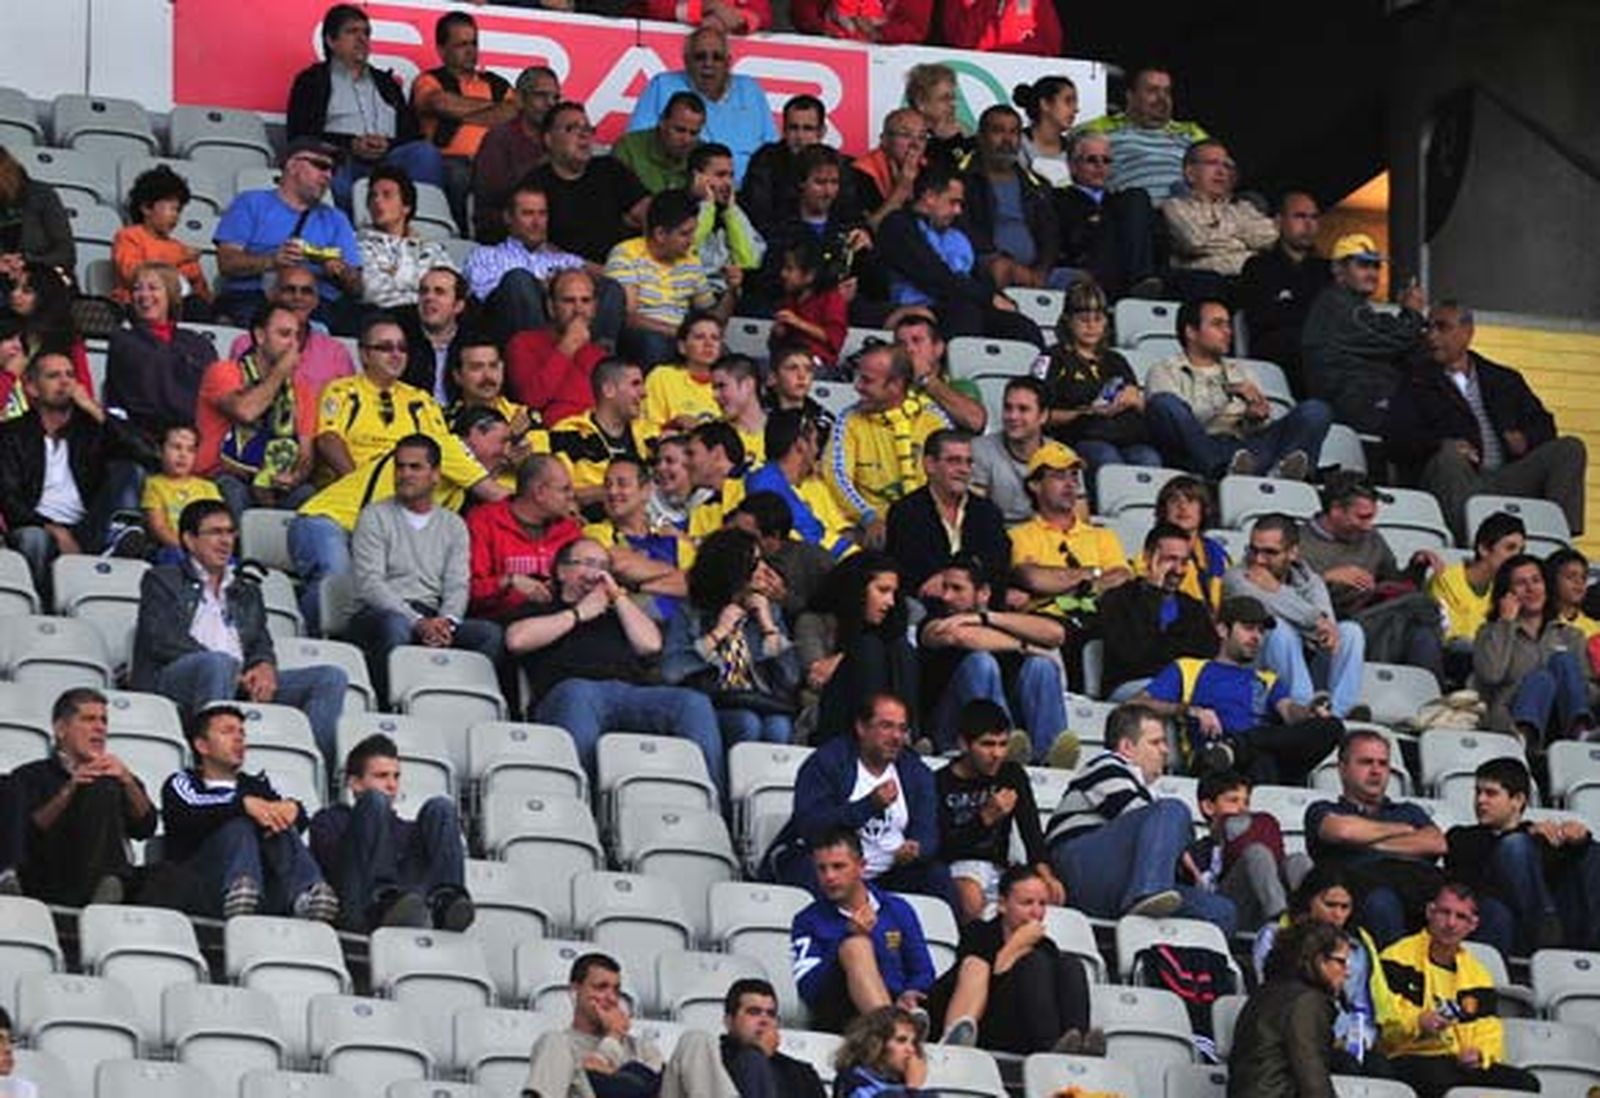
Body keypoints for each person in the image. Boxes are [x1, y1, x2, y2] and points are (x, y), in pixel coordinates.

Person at [506, 537, 727, 793]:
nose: (596, 573)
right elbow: (516, 640)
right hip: (572, 693)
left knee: (693, 703)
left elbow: (651, 645)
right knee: (579, 693)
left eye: (603, 566)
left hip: (630, 693)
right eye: (587, 563)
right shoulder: (541, 607)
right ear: (561, 571)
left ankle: (710, 805)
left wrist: (618, 597)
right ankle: (583, 803)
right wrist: (579, 614)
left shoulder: (619, 613)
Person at [132, 497, 348, 754]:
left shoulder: (246, 589)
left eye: (230, 533)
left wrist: (264, 665)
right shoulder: (161, 579)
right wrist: (229, 667)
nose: (226, 541)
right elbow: (162, 640)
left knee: (331, 678)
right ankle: (210, 763)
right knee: (218, 663)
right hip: (177, 679)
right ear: (189, 540)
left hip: (238, 680)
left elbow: (260, 642)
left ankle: (314, 767)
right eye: (215, 533)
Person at [1389, 298, 1587, 543]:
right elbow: (1397, 437)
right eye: (1428, 327)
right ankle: (1466, 544)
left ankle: (1560, 541)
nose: (1432, 336)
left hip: (1505, 476)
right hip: (1454, 477)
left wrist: (1526, 439)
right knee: (1450, 456)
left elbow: (1545, 425)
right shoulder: (1415, 381)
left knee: (1569, 448)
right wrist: (1442, 444)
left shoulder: (1503, 379)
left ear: (1467, 331)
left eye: (1442, 327)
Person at [1045, 703, 1237, 932]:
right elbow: (1142, 819)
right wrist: (1183, 856)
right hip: (1080, 871)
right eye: (1156, 742)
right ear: (1127, 747)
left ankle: (1168, 955)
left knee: (1222, 912)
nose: (1165, 750)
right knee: (1173, 810)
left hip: (1124, 882)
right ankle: (1148, 894)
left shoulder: (1144, 792)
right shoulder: (1106, 765)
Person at [348, 433, 504, 701]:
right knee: (395, 626)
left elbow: (457, 584)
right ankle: (389, 706)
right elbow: (371, 585)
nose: (405, 474)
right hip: (381, 613)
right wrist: (417, 622)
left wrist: (448, 622)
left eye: (415, 467)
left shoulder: (454, 525)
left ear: (435, 475)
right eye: (400, 466)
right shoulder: (374, 516)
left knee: (489, 635)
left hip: (434, 615)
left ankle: (464, 704)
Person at [1137, 594, 1343, 786]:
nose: (1257, 637)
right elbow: (1137, 704)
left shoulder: (1267, 679)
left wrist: (1310, 712)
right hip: (1214, 764)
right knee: (1262, 759)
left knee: (1332, 726)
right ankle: (1235, 748)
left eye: (1261, 631)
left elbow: (1289, 711)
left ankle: (1237, 745)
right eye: (1248, 628)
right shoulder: (1189, 668)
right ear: (1222, 630)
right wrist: (1190, 710)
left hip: (1264, 763)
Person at [765, 693, 950, 905]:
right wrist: (868, 806)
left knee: (938, 877)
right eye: (886, 726)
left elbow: (928, 832)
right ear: (861, 728)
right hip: (832, 865)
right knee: (814, 871)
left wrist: (917, 848)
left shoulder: (916, 771)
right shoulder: (827, 762)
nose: (897, 736)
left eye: (902, 728)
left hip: (891, 873)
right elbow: (811, 826)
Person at [161, 704, 340, 921]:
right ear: (202, 746)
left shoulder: (255, 786)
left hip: (263, 892)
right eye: (227, 732)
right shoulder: (183, 782)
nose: (238, 739)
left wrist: (293, 809)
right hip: (202, 886)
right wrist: (243, 805)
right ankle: (239, 889)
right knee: (240, 825)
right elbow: (191, 808)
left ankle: (307, 894)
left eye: (241, 733)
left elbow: (294, 820)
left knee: (277, 826)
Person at [0, 352, 150, 596]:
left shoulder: (92, 429)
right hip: (38, 525)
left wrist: (95, 409)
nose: (65, 382)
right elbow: (9, 498)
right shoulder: (11, 434)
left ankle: (116, 537)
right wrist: (53, 529)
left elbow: (146, 455)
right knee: (33, 539)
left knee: (130, 468)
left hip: (89, 526)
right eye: (53, 376)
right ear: (32, 387)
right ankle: (44, 606)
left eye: (70, 375)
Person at [1377, 883, 1542, 1097]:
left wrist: (1480, 1053)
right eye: (1444, 913)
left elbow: (1489, 1027)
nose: (1451, 923)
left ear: (1473, 925)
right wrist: (1418, 1022)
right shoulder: (1396, 957)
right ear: (1430, 912)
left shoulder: (1477, 972)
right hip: (1409, 1054)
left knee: (1526, 1083)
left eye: (1461, 917)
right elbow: (1383, 1017)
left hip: (1459, 1062)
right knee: (1436, 1076)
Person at [1146, 298, 1330, 479]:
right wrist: (1225, 395)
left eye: (1228, 325)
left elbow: (1257, 430)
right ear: (1191, 332)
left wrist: (1254, 418)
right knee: (1164, 402)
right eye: (1218, 325)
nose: (1228, 331)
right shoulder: (1164, 370)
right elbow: (1180, 423)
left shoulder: (1241, 371)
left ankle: (1280, 474)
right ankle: (1219, 468)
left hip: (1244, 453)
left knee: (1316, 411)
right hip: (1194, 454)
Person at [4, 687, 155, 906]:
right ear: (61, 729)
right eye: (88, 719)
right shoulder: (29, 775)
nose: (100, 728)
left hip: (107, 880)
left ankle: (112, 888)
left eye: (104, 721)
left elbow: (145, 827)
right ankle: (110, 884)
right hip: (53, 874)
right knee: (100, 785)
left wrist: (128, 781)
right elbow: (28, 835)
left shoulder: (116, 776)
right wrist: (70, 789)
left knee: (171, 874)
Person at [309, 732, 473, 932]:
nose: (392, 785)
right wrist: (371, 821)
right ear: (354, 783)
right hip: (358, 908)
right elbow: (337, 870)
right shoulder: (329, 820)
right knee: (374, 801)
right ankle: (383, 899)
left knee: (441, 807)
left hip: (410, 908)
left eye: (396, 776)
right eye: (381, 776)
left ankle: (446, 903)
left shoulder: (406, 828)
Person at [287, 4, 444, 211]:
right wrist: (351, 144)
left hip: (389, 159)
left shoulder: (387, 83)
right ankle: (346, 235)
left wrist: (388, 144)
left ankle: (422, 231)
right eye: (352, 32)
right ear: (331, 40)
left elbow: (411, 133)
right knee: (331, 167)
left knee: (425, 153)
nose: (362, 39)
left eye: (366, 33)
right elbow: (300, 134)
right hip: (342, 157)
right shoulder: (312, 80)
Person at [1297, 474, 1446, 685]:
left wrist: (1417, 566)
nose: (1368, 526)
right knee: (1413, 614)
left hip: (1378, 617)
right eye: (1362, 517)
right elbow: (1282, 595)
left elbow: (1394, 582)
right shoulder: (1299, 542)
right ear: (1336, 510)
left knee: (1421, 633)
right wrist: (1326, 578)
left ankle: (1431, 705)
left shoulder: (1371, 538)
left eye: (1371, 517)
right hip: (1332, 628)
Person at [1252, 864, 1400, 1076]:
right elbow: (1270, 996)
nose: (1337, 914)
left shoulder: (1357, 947)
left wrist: (1355, 1042)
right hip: (1293, 1038)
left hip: (1345, 1042)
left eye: (1345, 907)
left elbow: (1361, 1009)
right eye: (1330, 904)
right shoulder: (1275, 936)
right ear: (1308, 901)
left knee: (1381, 1069)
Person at [934, 863, 1095, 1057]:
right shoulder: (979, 932)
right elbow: (984, 982)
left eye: (1042, 904)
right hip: (989, 1023)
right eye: (1027, 903)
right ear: (1002, 904)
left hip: (1025, 1030)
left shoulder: (1046, 945)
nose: (1036, 912)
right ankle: (1051, 1050)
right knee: (1034, 963)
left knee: (1071, 965)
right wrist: (1017, 945)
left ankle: (1079, 1046)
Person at [788, 826, 937, 1033]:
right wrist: (846, 937)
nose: (829, 876)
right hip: (840, 1015)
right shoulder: (807, 920)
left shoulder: (897, 908)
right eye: (822, 868)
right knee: (856, 945)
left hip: (898, 1004)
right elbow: (809, 989)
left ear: (861, 866)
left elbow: (923, 970)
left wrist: (911, 992)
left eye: (838, 866)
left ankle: (895, 1030)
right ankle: (893, 1035)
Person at [1448, 756, 1600, 957]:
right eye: (1477, 792)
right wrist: (1525, 834)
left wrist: (1579, 839)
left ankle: (1591, 945)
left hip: (1563, 928)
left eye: (1490, 793)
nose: (1480, 800)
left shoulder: (1540, 837)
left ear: (1517, 800)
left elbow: (1571, 875)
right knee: (1515, 847)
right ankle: (1546, 929)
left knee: (1593, 851)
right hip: (1506, 924)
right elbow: (1470, 880)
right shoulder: (1462, 836)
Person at [876, 163, 1042, 346]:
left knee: (1022, 327)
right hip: (919, 308)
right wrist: (987, 298)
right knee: (965, 316)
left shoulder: (956, 231)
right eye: (953, 202)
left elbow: (975, 277)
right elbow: (934, 276)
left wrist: (999, 298)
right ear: (930, 197)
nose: (958, 211)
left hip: (964, 302)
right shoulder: (898, 225)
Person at [662, 526, 801, 744]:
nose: (764, 569)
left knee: (779, 727)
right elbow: (671, 671)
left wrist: (768, 627)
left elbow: (791, 677)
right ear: (733, 570)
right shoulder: (691, 612)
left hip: (759, 700)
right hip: (710, 701)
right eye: (755, 564)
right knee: (746, 723)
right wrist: (718, 633)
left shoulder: (769, 611)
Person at [919, 560, 1070, 761]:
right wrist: (1025, 646)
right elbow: (961, 636)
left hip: (1007, 719)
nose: (946, 596)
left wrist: (985, 618)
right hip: (950, 730)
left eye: (957, 589)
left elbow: (1056, 633)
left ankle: (1048, 755)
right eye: (944, 587)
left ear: (983, 593)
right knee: (981, 663)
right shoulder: (933, 620)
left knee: (1041, 666)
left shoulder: (997, 619)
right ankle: (1001, 744)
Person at [1306, 729, 1446, 946]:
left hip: (1419, 887)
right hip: (1364, 895)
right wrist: (1403, 830)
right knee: (1382, 902)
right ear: (1342, 769)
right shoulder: (1322, 809)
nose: (1376, 771)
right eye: (1366, 762)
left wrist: (1368, 842)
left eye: (1383, 764)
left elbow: (1436, 843)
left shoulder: (1409, 810)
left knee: (1483, 907)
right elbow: (1343, 831)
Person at [1225, 514, 1369, 720]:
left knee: (1351, 632)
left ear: (1292, 553)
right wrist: (1314, 621)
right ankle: (1303, 710)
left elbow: (1328, 631)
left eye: (1270, 552)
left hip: (1307, 668)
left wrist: (1276, 590)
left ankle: (1339, 713)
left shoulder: (1309, 580)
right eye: (1253, 550)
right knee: (1278, 628)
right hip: (1254, 673)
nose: (1258, 560)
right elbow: (1312, 620)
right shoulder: (1237, 578)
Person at [213, 137, 363, 332]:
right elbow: (227, 262)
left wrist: (342, 272)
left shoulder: (336, 219)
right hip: (255, 297)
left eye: (332, 170)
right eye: (320, 166)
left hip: (320, 303)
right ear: (292, 165)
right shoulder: (251, 203)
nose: (328, 175)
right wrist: (272, 261)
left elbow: (357, 286)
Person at [935, 701, 1063, 924]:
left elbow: (1031, 833)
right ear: (964, 744)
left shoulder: (1011, 774)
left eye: (1003, 744)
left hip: (1001, 869)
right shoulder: (940, 782)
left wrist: (1047, 875)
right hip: (956, 868)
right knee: (972, 898)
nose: (997, 753)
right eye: (987, 744)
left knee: (1049, 894)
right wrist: (985, 818)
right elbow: (942, 848)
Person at [198, 303, 322, 517]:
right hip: (223, 477)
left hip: (277, 487)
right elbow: (246, 411)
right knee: (232, 489)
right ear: (260, 335)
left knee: (309, 494)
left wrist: (295, 477)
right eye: (284, 335)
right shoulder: (224, 372)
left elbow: (305, 455)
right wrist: (281, 372)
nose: (293, 345)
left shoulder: (303, 391)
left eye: (297, 336)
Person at [466, 183, 621, 352]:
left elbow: (609, 277)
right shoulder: (486, 255)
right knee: (518, 280)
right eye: (528, 214)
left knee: (610, 287)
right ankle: (539, 360)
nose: (536, 222)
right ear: (508, 217)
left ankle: (596, 363)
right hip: (512, 335)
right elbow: (488, 299)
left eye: (542, 214)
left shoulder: (564, 260)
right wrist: (547, 288)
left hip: (570, 332)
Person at [1300, 233, 1427, 435]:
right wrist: (1412, 313)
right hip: (1352, 404)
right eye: (1363, 265)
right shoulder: (1338, 305)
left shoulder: (1351, 306)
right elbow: (1395, 339)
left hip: (1362, 398)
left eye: (1376, 266)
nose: (1372, 273)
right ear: (1338, 269)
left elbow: (1388, 330)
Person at [826, 343, 951, 535]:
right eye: (858, 378)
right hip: (876, 529)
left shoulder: (933, 419)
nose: (857, 386)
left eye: (867, 380)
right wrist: (868, 516)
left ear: (895, 385)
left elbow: (951, 476)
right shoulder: (848, 420)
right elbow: (838, 478)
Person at [410, 10, 517, 230]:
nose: (470, 51)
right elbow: (440, 104)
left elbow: (515, 113)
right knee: (458, 174)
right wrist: (494, 111)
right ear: (441, 50)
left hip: (495, 163)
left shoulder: (497, 83)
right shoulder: (430, 79)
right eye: (461, 45)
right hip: (450, 162)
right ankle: (458, 235)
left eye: (474, 43)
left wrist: (461, 109)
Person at [626, 25, 777, 181]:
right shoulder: (662, 85)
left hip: (746, 195)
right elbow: (639, 146)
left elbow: (772, 153)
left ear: (728, 62)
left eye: (717, 57)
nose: (708, 64)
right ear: (686, 60)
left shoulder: (750, 90)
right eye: (700, 57)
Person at [797, 552, 918, 745]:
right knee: (869, 647)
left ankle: (904, 732)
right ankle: (874, 732)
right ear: (857, 589)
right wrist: (854, 653)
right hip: (828, 718)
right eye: (883, 590)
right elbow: (817, 678)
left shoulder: (891, 636)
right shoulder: (814, 621)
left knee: (902, 648)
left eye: (893, 593)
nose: (891, 602)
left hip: (885, 713)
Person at [1008, 442, 1133, 628]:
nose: (1070, 484)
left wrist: (1062, 590)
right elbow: (1033, 578)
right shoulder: (1018, 535)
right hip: (1049, 626)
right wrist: (1094, 573)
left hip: (1100, 622)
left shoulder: (1102, 535)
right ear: (1035, 485)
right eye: (1059, 476)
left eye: (1074, 476)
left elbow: (1121, 577)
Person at [1040, 279, 1161, 469]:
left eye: (1098, 319)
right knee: (1106, 457)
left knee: (1148, 458)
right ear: (1067, 320)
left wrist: (1135, 400)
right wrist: (1084, 412)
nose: (1091, 326)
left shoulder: (1116, 359)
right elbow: (1040, 413)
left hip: (1126, 436)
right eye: (1083, 320)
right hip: (1080, 436)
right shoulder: (1053, 357)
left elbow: (1141, 405)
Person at [1474, 552, 1593, 742]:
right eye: (1521, 583)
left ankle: (1581, 733)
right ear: (1507, 593)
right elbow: (1491, 675)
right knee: (1541, 679)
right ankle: (1524, 736)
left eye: (1536, 581)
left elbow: (1589, 690)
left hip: (1561, 722)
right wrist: (1506, 623)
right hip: (1508, 721)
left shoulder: (1571, 636)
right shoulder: (1490, 632)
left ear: (1546, 586)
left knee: (1563, 660)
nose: (1531, 589)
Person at [1226, 919, 1347, 1098]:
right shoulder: (1307, 1000)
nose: (1347, 971)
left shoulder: (1266, 993)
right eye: (1341, 961)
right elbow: (1311, 1075)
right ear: (1320, 960)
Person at [884, 429, 1010, 599]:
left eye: (968, 462)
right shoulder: (905, 511)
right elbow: (909, 570)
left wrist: (953, 580)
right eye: (954, 461)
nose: (964, 470)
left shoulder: (987, 512)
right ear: (930, 465)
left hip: (979, 605)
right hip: (926, 606)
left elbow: (997, 565)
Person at [1099, 522, 1218, 700]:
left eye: (1184, 562)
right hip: (1130, 688)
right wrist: (1153, 595)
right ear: (1148, 558)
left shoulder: (1193, 608)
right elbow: (1135, 658)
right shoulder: (1118, 599)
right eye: (1170, 559)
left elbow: (1206, 657)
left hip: (1183, 689)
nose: (1178, 570)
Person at [523, 952, 666, 1098]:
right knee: (553, 1040)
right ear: (575, 991)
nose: (611, 998)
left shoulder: (642, 1048)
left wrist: (601, 1067)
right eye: (601, 987)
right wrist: (613, 1038)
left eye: (616, 990)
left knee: (690, 1043)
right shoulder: (558, 1045)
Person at [465, 453, 583, 623]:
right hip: (499, 623)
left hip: (557, 621)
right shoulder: (483, 521)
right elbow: (467, 591)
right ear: (540, 492)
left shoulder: (569, 529)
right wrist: (508, 582)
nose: (572, 496)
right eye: (564, 489)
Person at [104, 262, 216, 439]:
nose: (143, 295)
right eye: (137, 289)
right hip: (142, 439)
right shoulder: (124, 341)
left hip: (192, 439)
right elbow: (143, 399)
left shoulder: (197, 343)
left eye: (153, 288)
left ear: (170, 294)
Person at [1184, 771, 1307, 931]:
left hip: (1266, 900)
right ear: (1208, 807)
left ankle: (1313, 923)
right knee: (1256, 853)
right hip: (1230, 911)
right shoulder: (1199, 849)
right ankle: (1281, 920)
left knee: (1297, 860)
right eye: (1233, 800)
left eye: (1246, 802)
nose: (1242, 809)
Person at [533, 102, 651, 267]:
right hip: (568, 277)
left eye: (588, 129)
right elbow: (536, 246)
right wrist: (590, 269)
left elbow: (650, 212)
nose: (584, 135)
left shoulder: (609, 168)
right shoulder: (534, 185)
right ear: (549, 139)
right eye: (572, 128)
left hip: (625, 268)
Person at [958, 106, 1062, 291]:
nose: (1007, 139)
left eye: (1014, 132)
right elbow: (965, 230)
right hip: (987, 266)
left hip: (1036, 272)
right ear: (981, 137)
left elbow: (1050, 235)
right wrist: (1010, 264)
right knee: (1000, 269)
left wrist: (1042, 270)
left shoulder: (1037, 185)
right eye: (998, 131)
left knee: (1082, 281)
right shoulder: (962, 180)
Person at [1237, 192, 1331, 392]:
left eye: (1314, 217)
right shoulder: (1258, 267)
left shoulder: (1328, 271)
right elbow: (1262, 317)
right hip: (1278, 359)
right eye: (1300, 216)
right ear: (1279, 222)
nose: (1308, 224)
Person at [1161, 140, 1278, 298]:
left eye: (1226, 166)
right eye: (1212, 163)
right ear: (1190, 173)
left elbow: (1271, 237)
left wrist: (1216, 229)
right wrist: (1242, 238)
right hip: (1205, 284)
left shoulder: (1243, 207)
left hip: (1250, 281)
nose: (1221, 172)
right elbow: (1195, 241)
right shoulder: (1175, 206)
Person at [223, 263, 356, 401]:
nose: (298, 297)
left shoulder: (336, 352)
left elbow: (347, 406)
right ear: (271, 295)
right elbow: (240, 402)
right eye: (289, 290)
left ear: (316, 300)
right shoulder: (246, 343)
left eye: (306, 291)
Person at [583, 456, 693, 621]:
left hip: (680, 633)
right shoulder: (595, 532)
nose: (612, 492)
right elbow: (620, 565)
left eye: (622, 484)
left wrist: (639, 585)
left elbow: (695, 583)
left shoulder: (673, 539)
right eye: (607, 485)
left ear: (646, 491)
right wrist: (676, 574)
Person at [1078, 63, 1210, 200]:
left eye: (1167, 92)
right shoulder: (1102, 129)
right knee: (1137, 198)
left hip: (1186, 210)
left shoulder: (1190, 132)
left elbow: (1217, 168)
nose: (1162, 98)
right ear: (1130, 96)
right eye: (1152, 91)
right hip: (1132, 210)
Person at [1055, 130, 1160, 299]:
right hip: (1087, 261)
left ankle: (1142, 280)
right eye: (1091, 160)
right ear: (1072, 165)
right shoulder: (1059, 198)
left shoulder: (1126, 203)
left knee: (1137, 196)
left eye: (1106, 160)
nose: (1100, 166)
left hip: (1123, 267)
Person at [548, 357, 657, 517]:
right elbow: (558, 492)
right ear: (609, 390)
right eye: (635, 384)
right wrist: (616, 491)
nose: (644, 393)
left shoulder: (648, 432)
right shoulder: (569, 432)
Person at [505, 268, 611, 427]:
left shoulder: (600, 355)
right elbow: (531, 401)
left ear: (595, 307)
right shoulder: (524, 343)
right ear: (551, 306)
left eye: (585, 300)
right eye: (569, 301)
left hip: (596, 438)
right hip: (551, 437)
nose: (578, 310)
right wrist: (567, 347)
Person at [470, 65, 560, 243]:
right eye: (541, 95)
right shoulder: (499, 138)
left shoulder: (559, 139)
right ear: (519, 99)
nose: (550, 103)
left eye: (555, 97)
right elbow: (492, 196)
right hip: (504, 235)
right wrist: (543, 165)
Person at [111, 165, 212, 313]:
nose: (175, 215)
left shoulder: (179, 247)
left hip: (179, 308)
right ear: (146, 208)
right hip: (138, 305)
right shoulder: (129, 237)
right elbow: (133, 273)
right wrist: (180, 256)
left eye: (178, 210)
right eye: (171, 208)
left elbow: (200, 289)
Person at [355, 165, 455, 310]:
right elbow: (373, 292)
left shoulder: (431, 249)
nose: (377, 201)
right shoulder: (358, 243)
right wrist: (426, 298)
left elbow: (450, 289)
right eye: (372, 196)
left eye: (387, 195)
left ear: (406, 207)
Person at [2, 262, 95, 413]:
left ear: (45, 298)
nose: (14, 294)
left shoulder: (68, 339)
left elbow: (84, 394)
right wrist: (10, 374)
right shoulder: (5, 335)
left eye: (26, 291)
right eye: (15, 287)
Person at [971, 378, 1065, 525]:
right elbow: (974, 517)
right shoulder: (980, 450)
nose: (1013, 416)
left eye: (1023, 409)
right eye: (1008, 408)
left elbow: (1078, 520)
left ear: (1043, 416)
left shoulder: (1063, 456)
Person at [740, 95, 836, 237]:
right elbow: (758, 214)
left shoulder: (836, 163)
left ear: (821, 132)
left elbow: (848, 213)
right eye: (793, 128)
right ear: (784, 130)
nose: (800, 136)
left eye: (808, 129)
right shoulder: (765, 160)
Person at [720, 977, 827, 1098]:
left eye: (771, 1014)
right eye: (754, 1012)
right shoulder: (714, 1063)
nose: (764, 1020)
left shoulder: (801, 1073)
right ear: (729, 1021)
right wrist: (757, 1055)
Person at [892, 313, 989, 434]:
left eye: (917, 341)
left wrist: (927, 380)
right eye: (901, 344)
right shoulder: (886, 388)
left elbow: (977, 421)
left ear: (938, 348)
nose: (909, 349)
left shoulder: (960, 387)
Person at [141, 423, 224, 562]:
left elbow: (219, 523)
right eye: (176, 447)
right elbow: (159, 527)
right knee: (175, 557)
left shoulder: (208, 487)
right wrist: (189, 548)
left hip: (206, 548)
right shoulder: (154, 484)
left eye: (190, 450)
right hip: (173, 547)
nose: (183, 455)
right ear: (160, 451)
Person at [769, 236, 847, 371]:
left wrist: (797, 322)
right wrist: (777, 333)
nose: (783, 274)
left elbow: (834, 338)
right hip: (786, 360)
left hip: (818, 364)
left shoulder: (832, 298)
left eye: (789, 269)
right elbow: (774, 345)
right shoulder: (789, 300)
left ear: (809, 275)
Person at [396, 267, 469, 403]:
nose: (429, 297)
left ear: (458, 306)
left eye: (439, 292)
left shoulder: (471, 344)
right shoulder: (400, 342)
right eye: (424, 291)